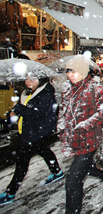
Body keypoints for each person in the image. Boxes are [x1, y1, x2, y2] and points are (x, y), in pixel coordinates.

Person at [58, 55, 103, 214]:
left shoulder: (97, 89)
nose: (70, 74)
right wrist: (62, 127)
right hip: (73, 140)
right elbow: (63, 111)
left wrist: (86, 124)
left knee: (73, 181)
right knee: (87, 168)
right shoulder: (67, 89)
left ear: (83, 71)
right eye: (68, 71)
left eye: (73, 71)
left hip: (89, 140)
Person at [0, 77, 63, 206]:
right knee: (44, 150)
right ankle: (57, 171)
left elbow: (38, 113)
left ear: (40, 79)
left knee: (22, 162)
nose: (28, 82)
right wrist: (15, 112)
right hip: (30, 130)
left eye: (32, 79)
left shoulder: (45, 93)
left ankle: (10, 192)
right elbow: (27, 110)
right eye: (26, 79)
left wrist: (19, 108)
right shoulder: (28, 92)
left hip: (36, 131)